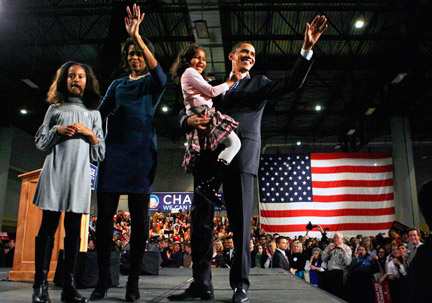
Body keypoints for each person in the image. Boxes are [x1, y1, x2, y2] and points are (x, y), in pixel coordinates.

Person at [169, 15, 327, 303]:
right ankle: (201, 285)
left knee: (241, 225)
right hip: (207, 158)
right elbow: (186, 108)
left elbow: (292, 83)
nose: (249, 57)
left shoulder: (260, 85)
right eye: (244, 52)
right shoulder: (213, 85)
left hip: (241, 158)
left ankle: (240, 287)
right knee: (200, 224)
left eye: (253, 55)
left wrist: (306, 49)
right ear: (232, 56)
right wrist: (188, 121)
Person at [90, 4, 167, 302]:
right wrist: (87, 132)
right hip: (114, 156)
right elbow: (100, 114)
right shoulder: (117, 85)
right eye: (131, 53)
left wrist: (137, 35)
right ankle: (103, 281)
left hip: (141, 157)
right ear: (126, 59)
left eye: (139, 53)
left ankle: (133, 282)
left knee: (140, 222)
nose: (135, 57)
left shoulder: (151, 84)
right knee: (105, 221)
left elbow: (161, 75)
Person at [32, 61, 105, 303]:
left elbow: (100, 153)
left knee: (73, 233)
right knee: (47, 229)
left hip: (79, 177)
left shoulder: (94, 113)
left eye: (81, 76)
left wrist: (90, 133)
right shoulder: (55, 109)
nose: (76, 79)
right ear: (64, 80)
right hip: (55, 174)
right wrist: (57, 131)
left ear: (88, 82)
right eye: (71, 76)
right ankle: (39, 286)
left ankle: (69, 287)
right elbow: (41, 141)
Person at [170, 44, 242, 206]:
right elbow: (211, 91)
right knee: (234, 143)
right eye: (197, 57)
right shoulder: (189, 73)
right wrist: (232, 82)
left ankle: (210, 185)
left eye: (204, 59)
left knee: (232, 144)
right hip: (204, 115)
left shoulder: (193, 75)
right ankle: (210, 185)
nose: (201, 61)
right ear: (187, 60)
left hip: (204, 114)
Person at [322, 233, 352, 300]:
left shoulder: (347, 248)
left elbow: (348, 262)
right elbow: (323, 258)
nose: (335, 240)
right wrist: (329, 250)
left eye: (337, 238)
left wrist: (343, 251)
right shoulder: (330, 246)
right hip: (330, 272)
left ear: (342, 240)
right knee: (329, 293)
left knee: (339, 294)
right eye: (334, 238)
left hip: (340, 273)